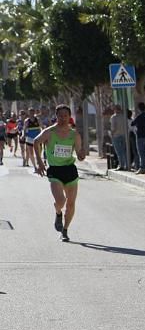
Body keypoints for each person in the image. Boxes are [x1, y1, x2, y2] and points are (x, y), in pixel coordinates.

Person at [33, 104, 86, 243]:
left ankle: (65, 230)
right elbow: (36, 141)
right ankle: (58, 212)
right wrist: (39, 162)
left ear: (70, 117)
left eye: (65, 116)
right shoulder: (49, 132)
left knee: (71, 204)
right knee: (61, 201)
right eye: (60, 116)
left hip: (70, 170)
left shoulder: (75, 135)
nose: (63, 118)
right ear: (56, 116)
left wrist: (81, 155)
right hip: (55, 170)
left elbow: (79, 154)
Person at [131, 103, 145, 173]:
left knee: (141, 152)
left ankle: (142, 167)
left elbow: (132, 123)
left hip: (140, 136)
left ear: (139, 109)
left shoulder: (139, 116)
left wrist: (134, 115)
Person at [110, 105, 128, 171]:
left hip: (116, 136)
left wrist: (112, 134)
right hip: (124, 135)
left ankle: (121, 165)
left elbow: (113, 127)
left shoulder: (113, 117)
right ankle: (126, 164)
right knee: (124, 151)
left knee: (119, 151)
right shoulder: (124, 116)